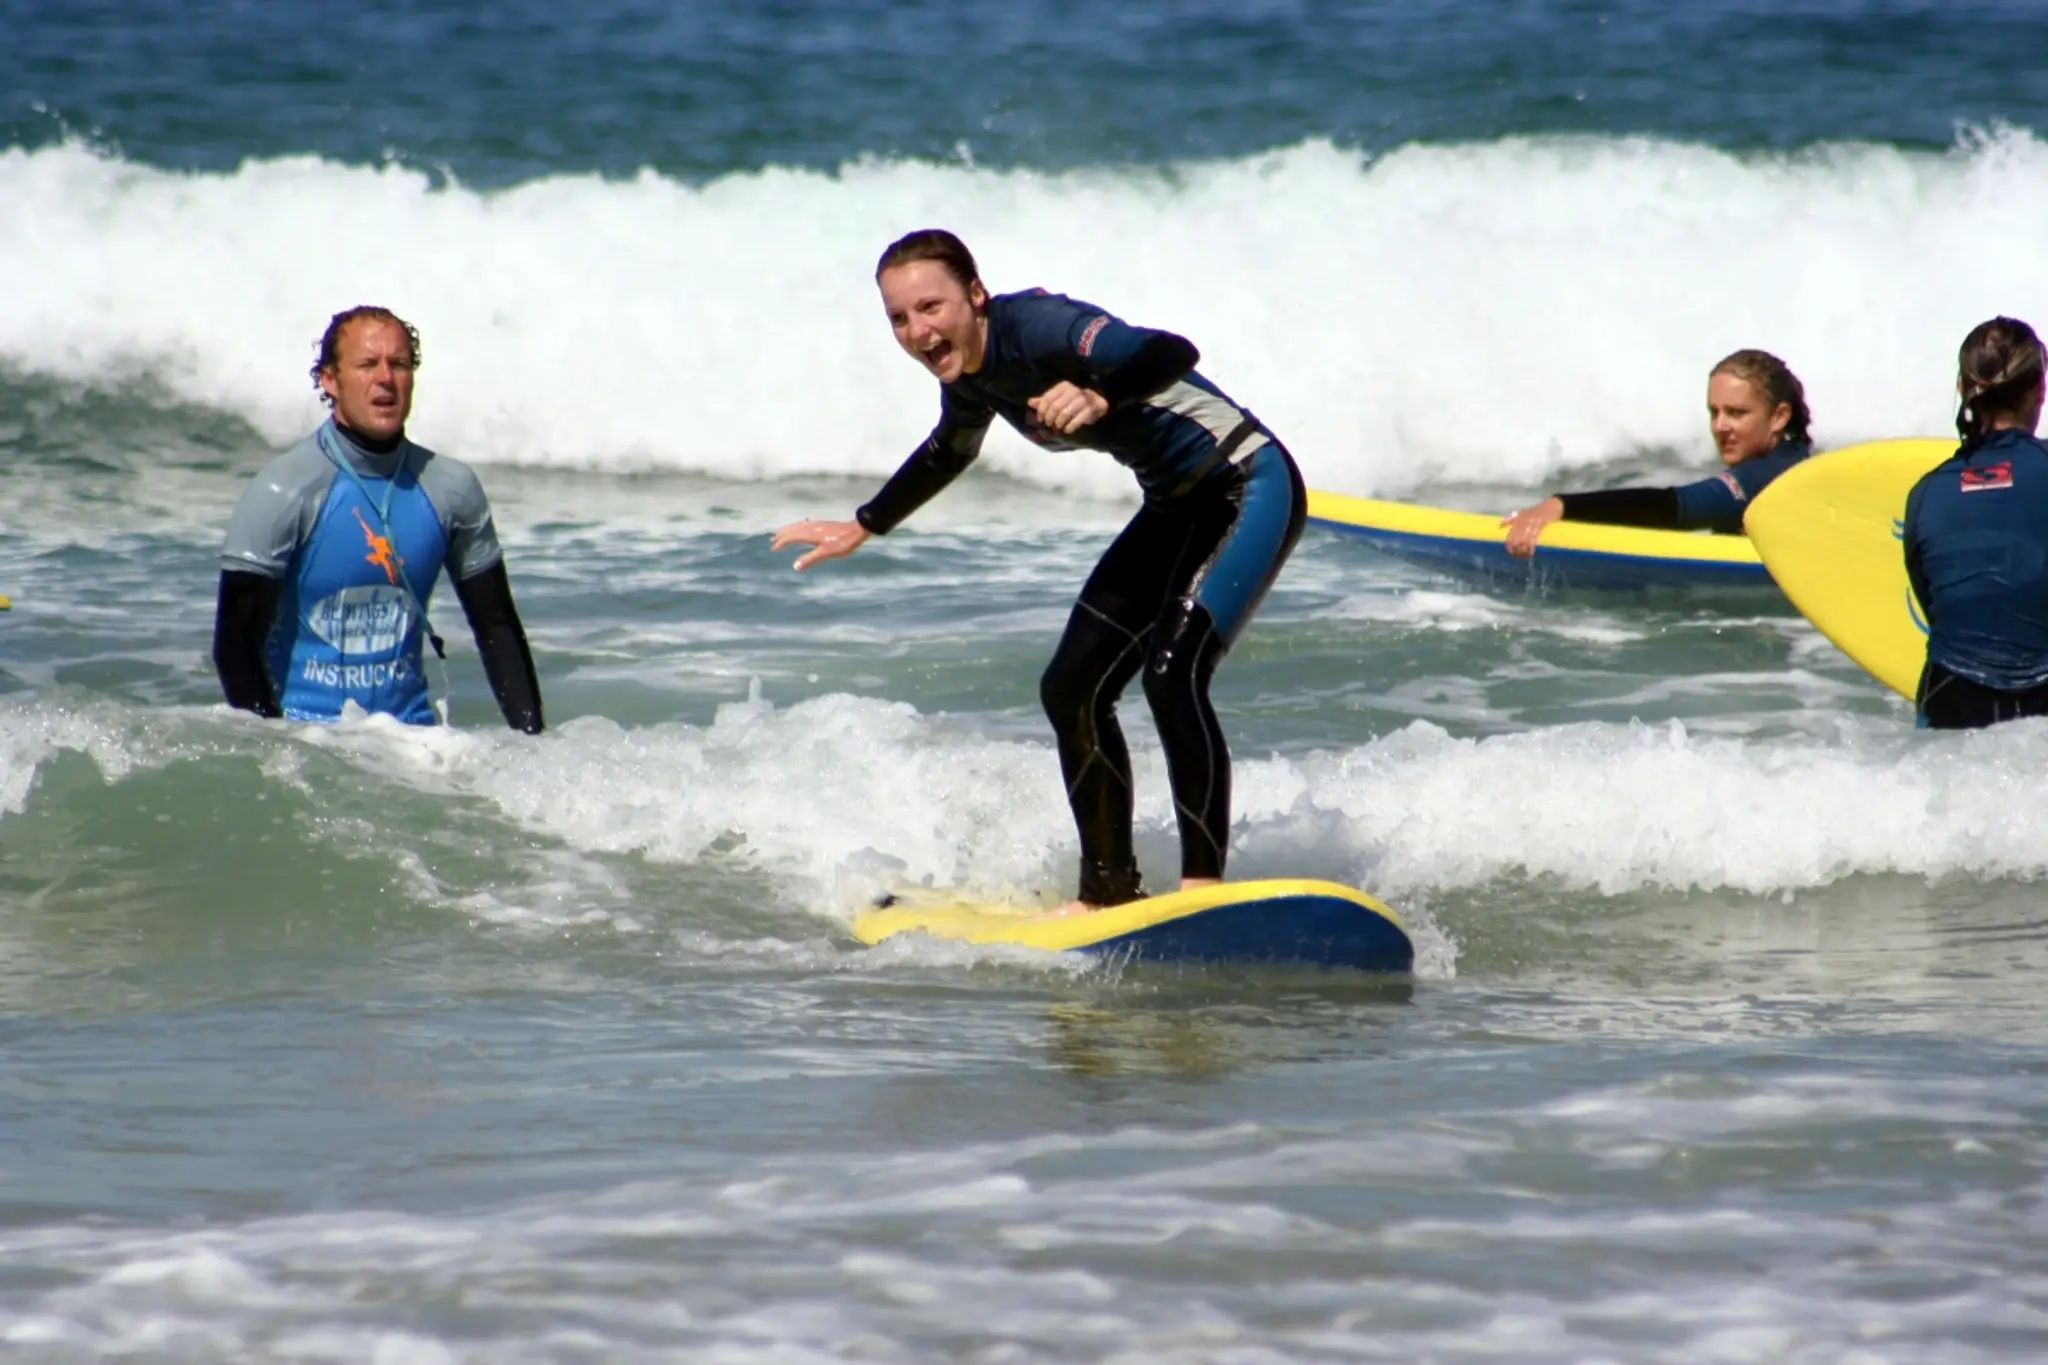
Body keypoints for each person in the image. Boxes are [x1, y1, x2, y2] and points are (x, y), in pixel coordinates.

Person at [771, 230, 1304, 915]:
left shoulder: (1041, 328)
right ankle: (1107, 892)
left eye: (930, 307)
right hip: (1173, 505)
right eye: (898, 318)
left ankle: (1204, 890)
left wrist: (1100, 395)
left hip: (1246, 481)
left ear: (975, 294)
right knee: (1071, 688)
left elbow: (1171, 350)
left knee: (1172, 676)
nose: (917, 331)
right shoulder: (970, 376)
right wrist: (865, 524)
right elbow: (948, 450)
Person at [211, 306, 544, 732]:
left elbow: (496, 626)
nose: (386, 378)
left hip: (414, 741)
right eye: (367, 364)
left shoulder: (450, 488)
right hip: (310, 739)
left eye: (399, 364)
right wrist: (281, 751)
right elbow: (235, 646)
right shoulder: (285, 490)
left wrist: (533, 745)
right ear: (330, 380)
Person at [1502, 350, 1814, 555]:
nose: (1720, 426)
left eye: (1736, 413)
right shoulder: (1791, 459)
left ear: (1779, 416)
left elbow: (1673, 507)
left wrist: (1562, 506)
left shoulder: (1771, 476)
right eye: (1714, 412)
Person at [1903, 316, 2048, 729]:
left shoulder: (1926, 493)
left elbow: (1934, 604)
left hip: (1952, 694)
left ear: (1962, 389)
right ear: (2039, 390)